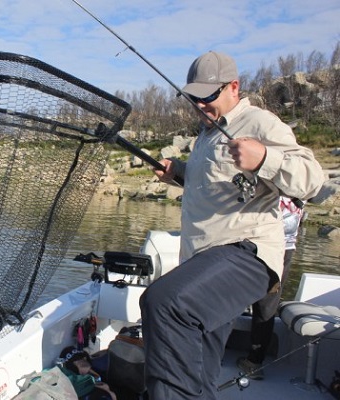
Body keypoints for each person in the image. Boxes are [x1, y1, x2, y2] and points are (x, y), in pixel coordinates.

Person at [139, 51, 324, 399]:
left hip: (246, 252)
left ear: (233, 87)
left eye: (207, 95)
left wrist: (266, 158)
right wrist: (177, 172)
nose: (199, 104)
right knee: (199, 363)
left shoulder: (258, 122)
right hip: (204, 259)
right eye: (194, 97)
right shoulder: (207, 134)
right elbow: (213, 183)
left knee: (163, 303)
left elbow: (312, 180)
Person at [236, 196, 304, 379]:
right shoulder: (300, 176)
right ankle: (254, 363)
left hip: (254, 243)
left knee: (233, 297)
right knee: (267, 305)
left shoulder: (266, 171)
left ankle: (215, 357)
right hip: (285, 248)